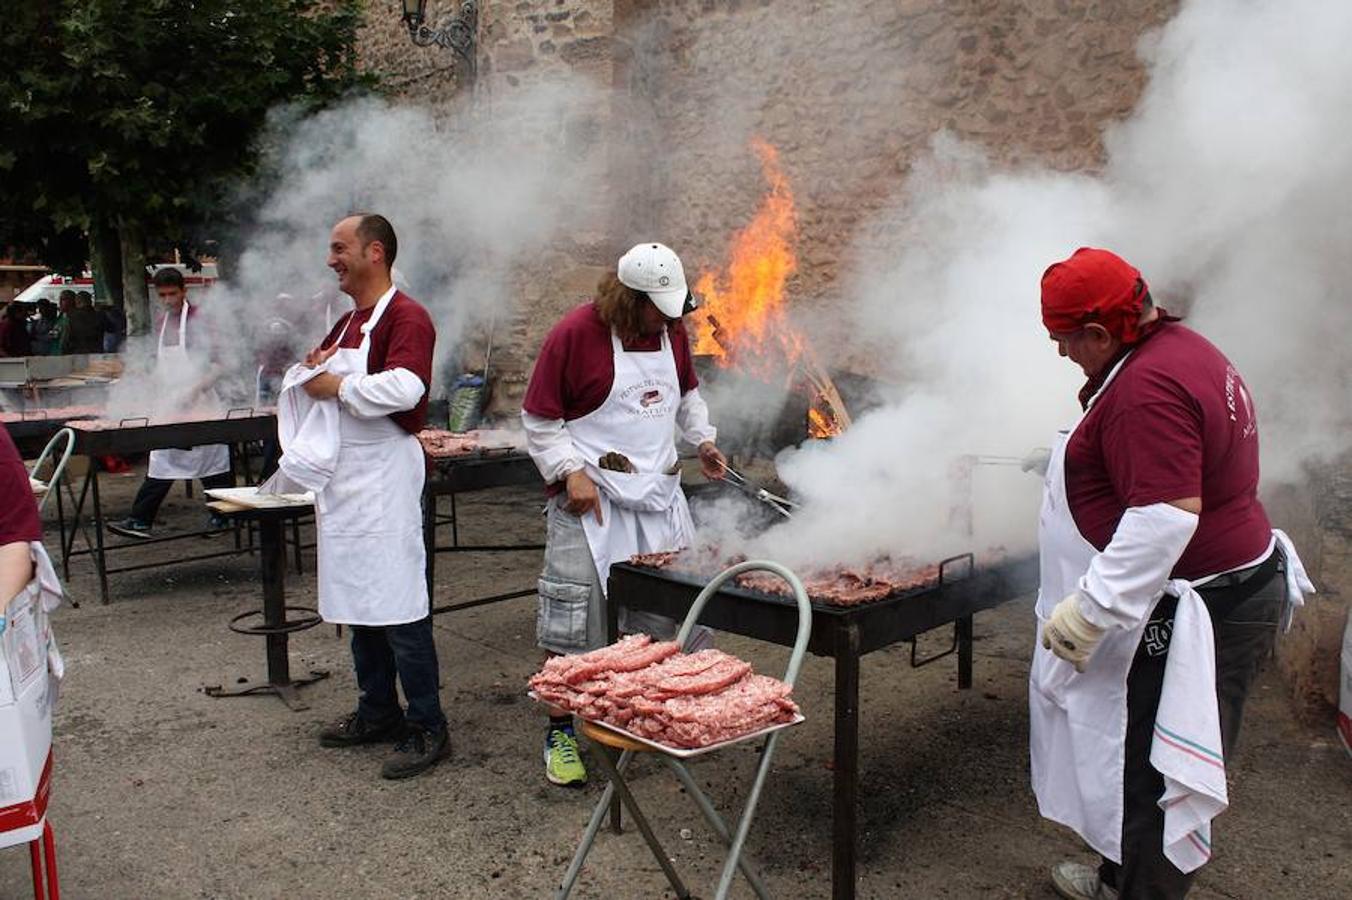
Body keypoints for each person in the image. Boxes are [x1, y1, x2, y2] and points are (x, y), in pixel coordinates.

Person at [1028, 247, 1312, 900]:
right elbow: (1174, 461)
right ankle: (1116, 876)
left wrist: (1091, 608)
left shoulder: (1144, 390)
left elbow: (1165, 515)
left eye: (1064, 341)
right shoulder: (1179, 347)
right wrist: (1071, 464)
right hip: (1231, 587)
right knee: (1138, 757)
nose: (1062, 354)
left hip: (1206, 609)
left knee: (1158, 775)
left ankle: (1139, 892)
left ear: (1098, 333)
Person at [521, 242, 727, 786]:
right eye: (658, 309)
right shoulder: (573, 334)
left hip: (657, 498)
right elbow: (539, 421)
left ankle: (649, 718)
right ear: (629, 300)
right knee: (574, 624)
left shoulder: (671, 333)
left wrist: (702, 440)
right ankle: (561, 732)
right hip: (593, 504)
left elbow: (685, 399)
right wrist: (571, 471)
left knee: (665, 619)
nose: (666, 321)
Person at [302, 213, 447, 780]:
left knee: (399, 604)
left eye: (340, 248)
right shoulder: (347, 324)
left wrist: (333, 384)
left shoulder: (408, 316)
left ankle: (428, 723)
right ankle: (378, 711)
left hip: (385, 479)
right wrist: (313, 370)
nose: (331, 258)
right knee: (360, 603)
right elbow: (315, 370)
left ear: (375, 252)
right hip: (346, 484)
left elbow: (406, 387)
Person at [107, 269, 233, 539]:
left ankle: (224, 517)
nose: (167, 299)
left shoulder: (201, 320)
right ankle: (141, 520)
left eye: (172, 293)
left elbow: (219, 364)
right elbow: (161, 367)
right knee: (162, 459)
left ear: (183, 291)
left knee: (211, 461)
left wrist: (195, 390)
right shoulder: (162, 322)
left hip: (201, 401)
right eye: (162, 295)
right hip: (172, 403)